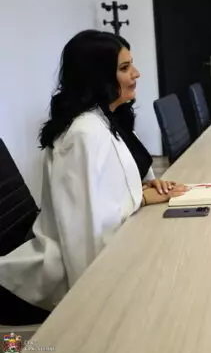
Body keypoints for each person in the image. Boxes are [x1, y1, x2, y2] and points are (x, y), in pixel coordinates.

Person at [0, 30, 187, 325]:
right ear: (98, 77)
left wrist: (144, 186)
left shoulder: (108, 117)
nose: (136, 73)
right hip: (51, 278)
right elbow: (83, 234)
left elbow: (110, 187)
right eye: (124, 68)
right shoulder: (83, 134)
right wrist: (139, 198)